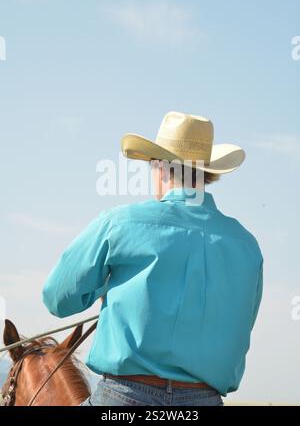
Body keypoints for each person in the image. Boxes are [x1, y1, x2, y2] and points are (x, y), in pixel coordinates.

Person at [43, 111, 263, 406]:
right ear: (208, 173)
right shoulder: (246, 244)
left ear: (159, 166)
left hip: (124, 400)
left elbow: (57, 298)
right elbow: (241, 325)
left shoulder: (119, 223)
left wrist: (105, 289)